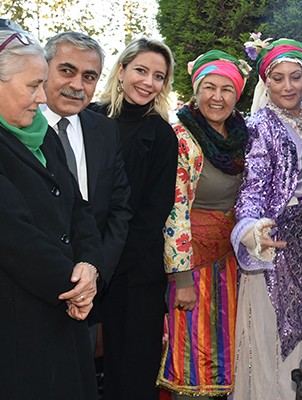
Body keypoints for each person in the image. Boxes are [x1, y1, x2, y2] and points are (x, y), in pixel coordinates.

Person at [0, 27, 103, 400]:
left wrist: (90, 265)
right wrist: (76, 286)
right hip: (18, 326)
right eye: (32, 86)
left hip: (65, 312)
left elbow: (78, 209)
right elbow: (14, 235)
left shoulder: (41, 133)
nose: (42, 98)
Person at [230, 35, 302, 400]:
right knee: (270, 343)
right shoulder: (260, 126)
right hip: (274, 245)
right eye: (278, 77)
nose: (287, 86)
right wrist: (252, 230)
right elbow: (252, 188)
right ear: (265, 82)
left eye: (295, 77)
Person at [158, 50, 251, 399]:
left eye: (227, 89)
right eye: (209, 87)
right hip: (191, 264)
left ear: (237, 94)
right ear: (195, 91)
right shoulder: (181, 138)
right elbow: (174, 209)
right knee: (193, 356)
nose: (217, 97)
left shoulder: (241, 136)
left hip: (229, 262)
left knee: (225, 353)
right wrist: (182, 279)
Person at [92, 37, 178, 400]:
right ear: (122, 70)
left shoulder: (162, 135)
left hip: (135, 274)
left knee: (131, 375)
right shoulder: (89, 119)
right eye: (141, 70)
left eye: (159, 76)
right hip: (83, 262)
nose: (148, 82)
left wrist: (107, 265)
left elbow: (153, 213)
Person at [41, 31, 132, 354]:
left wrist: (95, 273)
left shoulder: (105, 130)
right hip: (28, 294)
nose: (78, 85)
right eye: (67, 70)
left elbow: (119, 210)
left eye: (89, 76)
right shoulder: (18, 129)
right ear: (44, 68)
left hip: (90, 296)